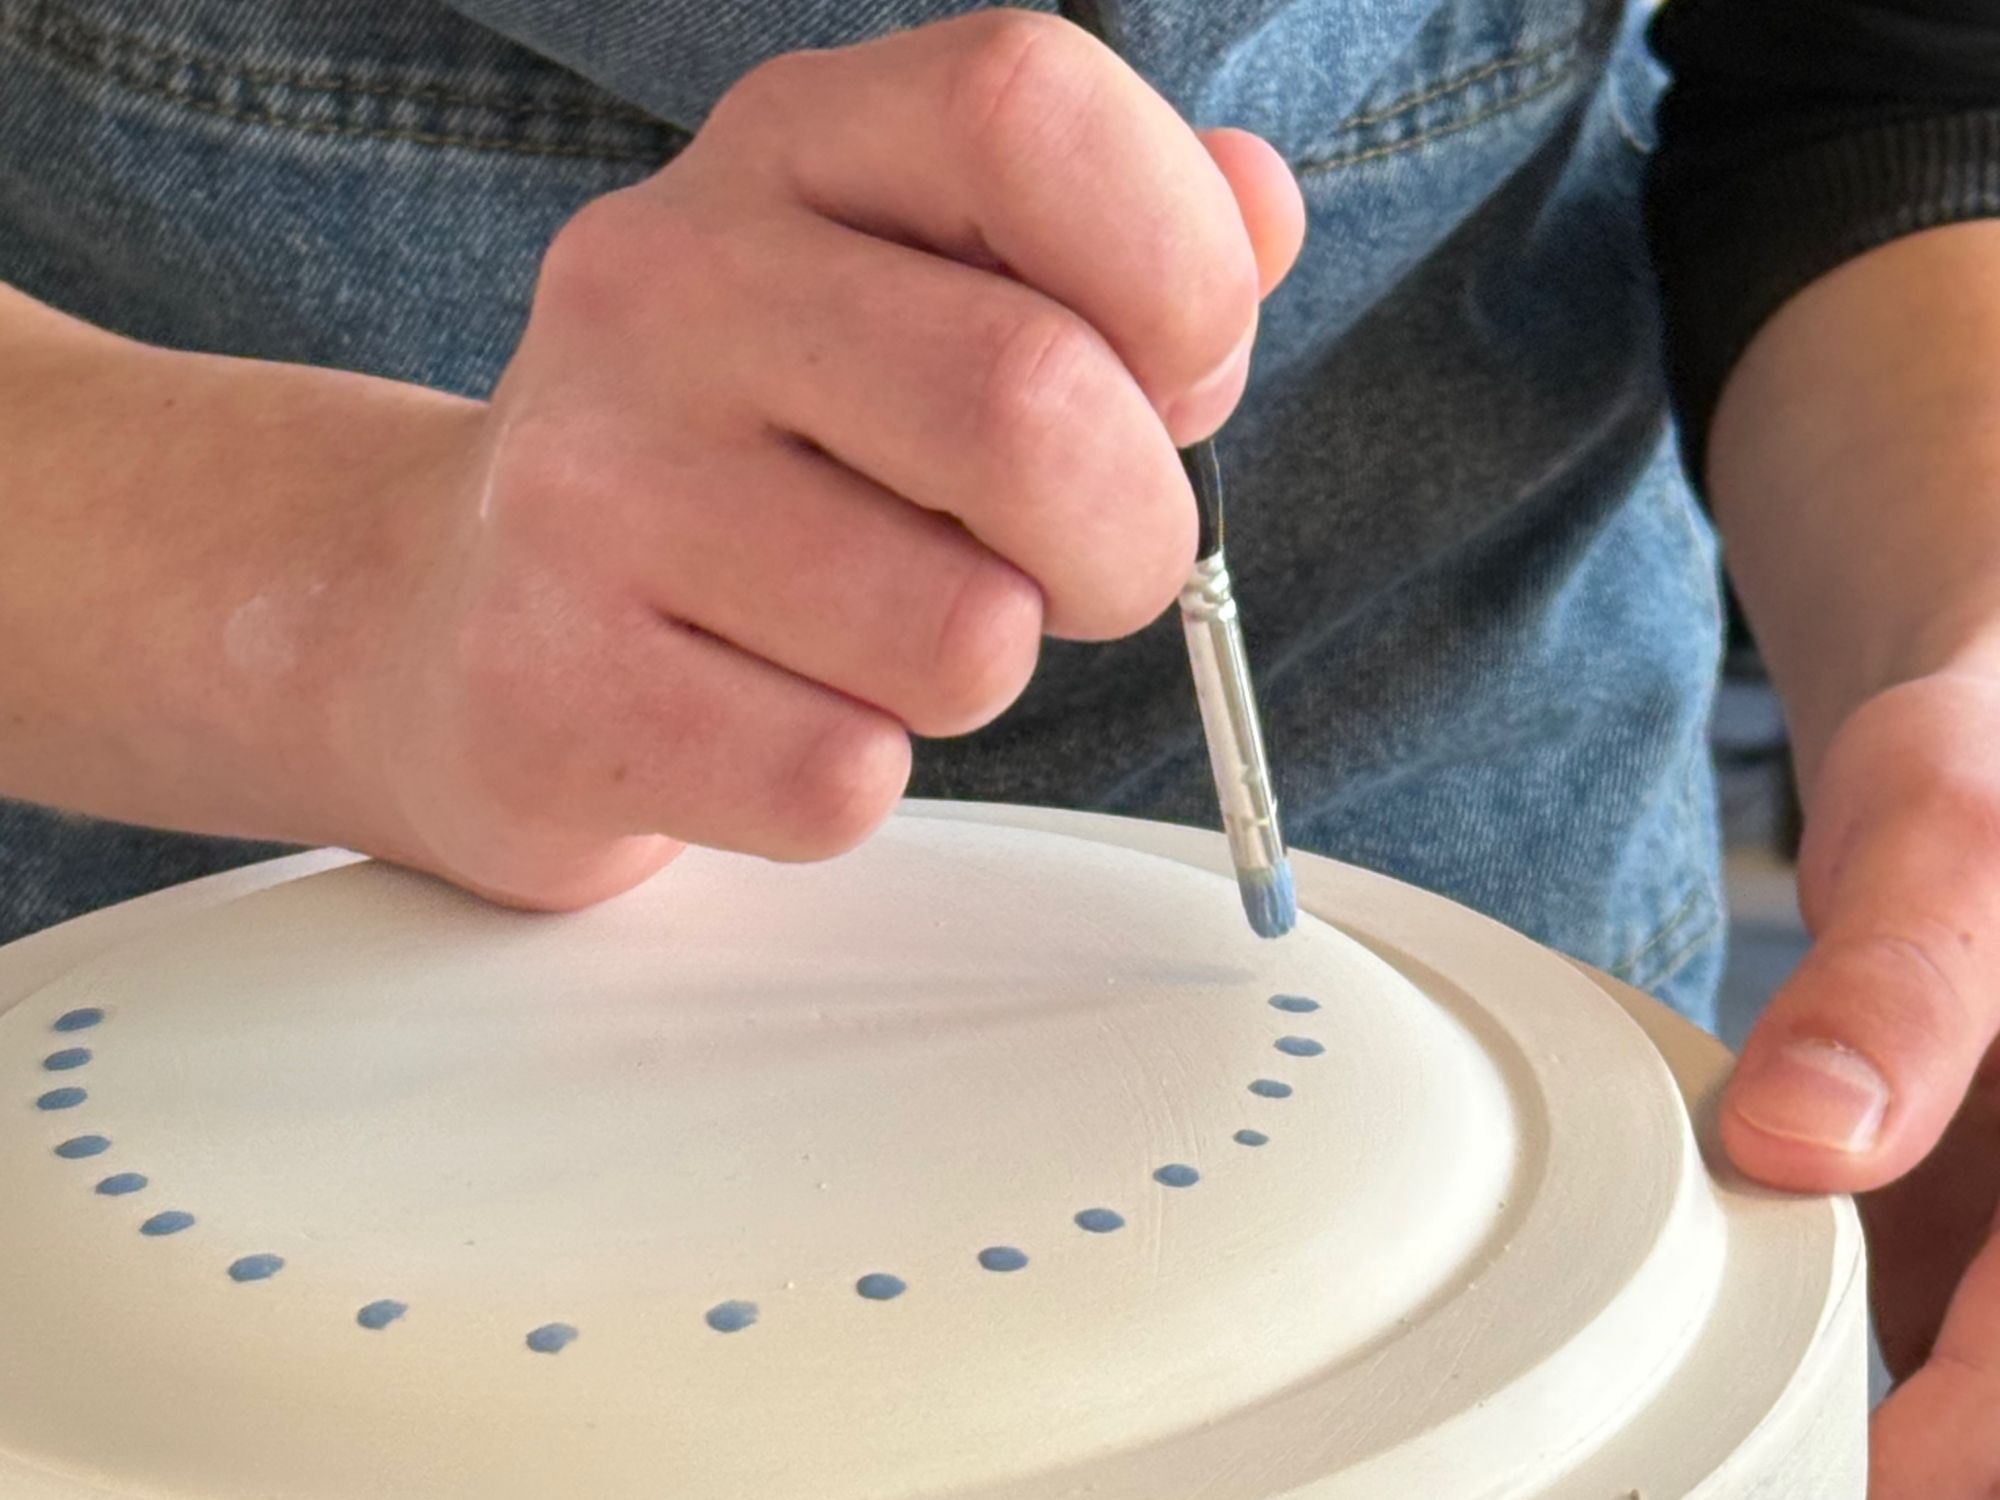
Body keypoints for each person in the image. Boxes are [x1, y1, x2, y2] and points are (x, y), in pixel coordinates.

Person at [0, 0, 1994, 1487]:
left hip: (1499, 948)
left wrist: (1961, 667)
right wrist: (337, 586)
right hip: (206, 1002)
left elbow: (1889, 85)